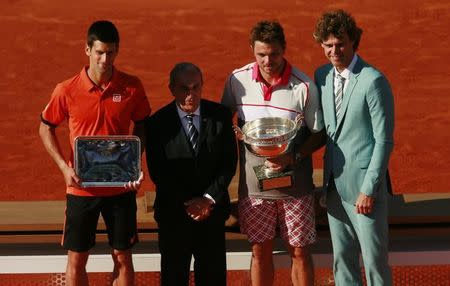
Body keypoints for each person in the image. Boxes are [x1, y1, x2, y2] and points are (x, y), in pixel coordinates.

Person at [39, 20, 151, 286]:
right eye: (99, 52)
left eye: (110, 52)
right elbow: (46, 128)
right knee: (77, 258)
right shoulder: (66, 90)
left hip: (121, 188)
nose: (104, 58)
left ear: (117, 51)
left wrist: (135, 162)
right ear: (87, 49)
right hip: (81, 189)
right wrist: (65, 169)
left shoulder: (132, 87)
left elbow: (144, 124)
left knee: (122, 256)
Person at [221, 20, 325, 286]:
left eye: (274, 54)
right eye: (261, 54)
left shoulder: (303, 86)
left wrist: (294, 157)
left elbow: (319, 133)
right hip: (255, 188)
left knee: (300, 252)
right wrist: (234, 132)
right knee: (259, 251)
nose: (268, 61)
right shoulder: (237, 81)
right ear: (252, 51)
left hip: (296, 188)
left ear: (284, 49)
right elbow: (222, 120)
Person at [313, 9, 395, 286]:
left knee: (374, 264)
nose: (334, 50)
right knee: (343, 262)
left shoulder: (373, 81)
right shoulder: (322, 75)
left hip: (363, 191)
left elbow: (383, 140)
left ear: (353, 43)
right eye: (328, 45)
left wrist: (369, 189)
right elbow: (325, 129)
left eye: (340, 44)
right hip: (334, 187)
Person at [145, 62, 237, 286]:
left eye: (196, 87)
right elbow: (158, 172)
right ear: (172, 89)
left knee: (213, 278)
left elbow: (229, 163)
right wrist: (190, 204)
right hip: (174, 216)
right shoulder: (157, 123)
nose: (191, 94)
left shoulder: (220, 116)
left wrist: (207, 200)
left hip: (212, 215)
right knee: (174, 278)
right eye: (184, 89)